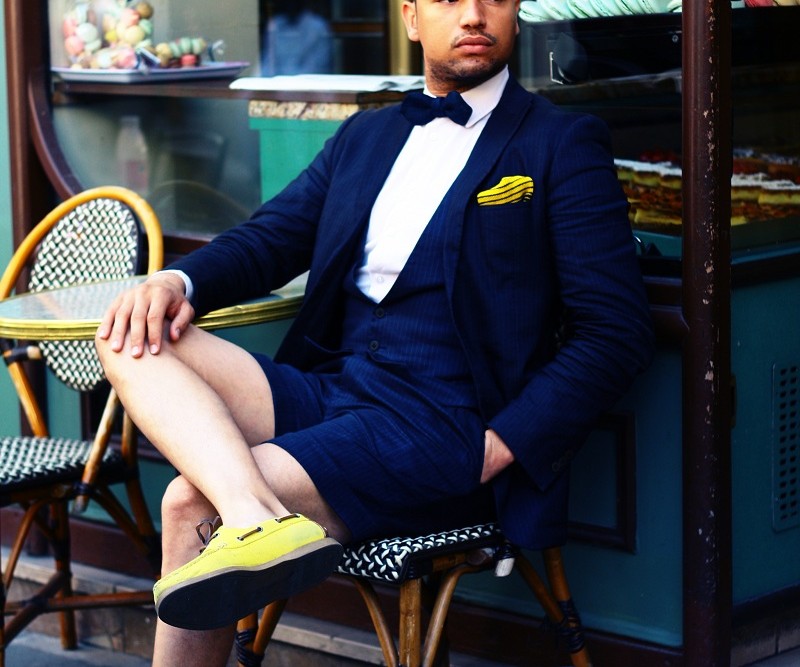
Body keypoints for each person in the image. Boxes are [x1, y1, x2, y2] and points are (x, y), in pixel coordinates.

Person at [96, 0, 655, 664]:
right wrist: (174, 282)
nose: (474, 15)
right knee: (131, 331)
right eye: (448, 0)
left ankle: (246, 514)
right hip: (334, 391)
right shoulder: (367, 135)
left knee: (190, 503)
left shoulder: (561, 141)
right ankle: (255, 515)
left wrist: (506, 442)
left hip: (440, 426)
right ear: (411, 19)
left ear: (516, 13)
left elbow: (615, 328)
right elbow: (270, 239)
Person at [261, 0, 333, 76]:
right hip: (275, 82)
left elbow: (315, 69)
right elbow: (267, 64)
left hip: (307, 82)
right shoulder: (275, 25)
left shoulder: (318, 28)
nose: (290, 3)